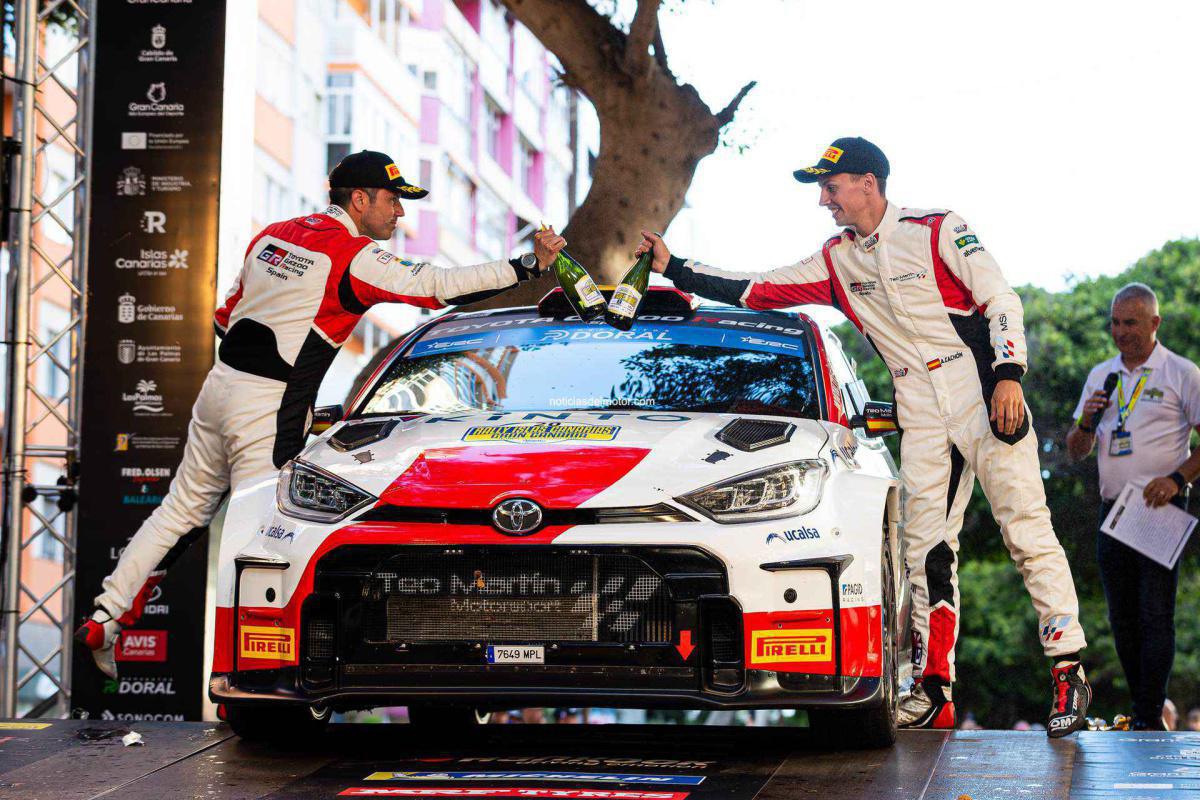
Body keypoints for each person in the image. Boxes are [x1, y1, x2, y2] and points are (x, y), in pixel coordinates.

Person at [636, 137, 1090, 737]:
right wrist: (676, 268)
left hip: (983, 394)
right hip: (919, 412)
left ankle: (1068, 671)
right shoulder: (835, 259)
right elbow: (759, 288)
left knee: (1026, 529)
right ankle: (935, 690)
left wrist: (1009, 376)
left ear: (868, 183)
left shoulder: (938, 228)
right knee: (924, 550)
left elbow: (1000, 298)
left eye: (831, 186)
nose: (824, 200)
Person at [75, 150, 567, 677]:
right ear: (359, 199)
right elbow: (438, 288)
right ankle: (250, 678)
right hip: (266, 406)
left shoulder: (273, 234)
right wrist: (527, 265)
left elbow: (226, 320)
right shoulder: (354, 254)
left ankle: (107, 616)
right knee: (264, 534)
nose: (399, 213)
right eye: (393, 200)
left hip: (219, 389)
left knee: (178, 512)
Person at [1065, 283, 1200, 730]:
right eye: (1116, 323)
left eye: (1131, 323)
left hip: (1160, 510)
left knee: (1155, 613)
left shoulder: (1181, 373)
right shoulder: (1101, 375)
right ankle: (1146, 710)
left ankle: (1146, 714)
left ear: (1155, 323)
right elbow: (1076, 449)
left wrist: (1177, 478)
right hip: (1113, 513)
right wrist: (1087, 420)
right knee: (1122, 619)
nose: (1121, 332)